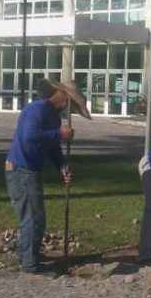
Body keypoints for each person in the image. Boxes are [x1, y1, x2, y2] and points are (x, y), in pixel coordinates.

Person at [5, 80, 90, 274]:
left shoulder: (53, 117)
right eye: (71, 104)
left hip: (31, 170)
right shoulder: (37, 109)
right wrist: (59, 133)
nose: (69, 109)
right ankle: (29, 263)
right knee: (33, 218)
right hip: (20, 169)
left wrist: (62, 166)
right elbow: (29, 136)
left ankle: (29, 255)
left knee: (37, 217)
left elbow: (52, 148)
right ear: (63, 96)